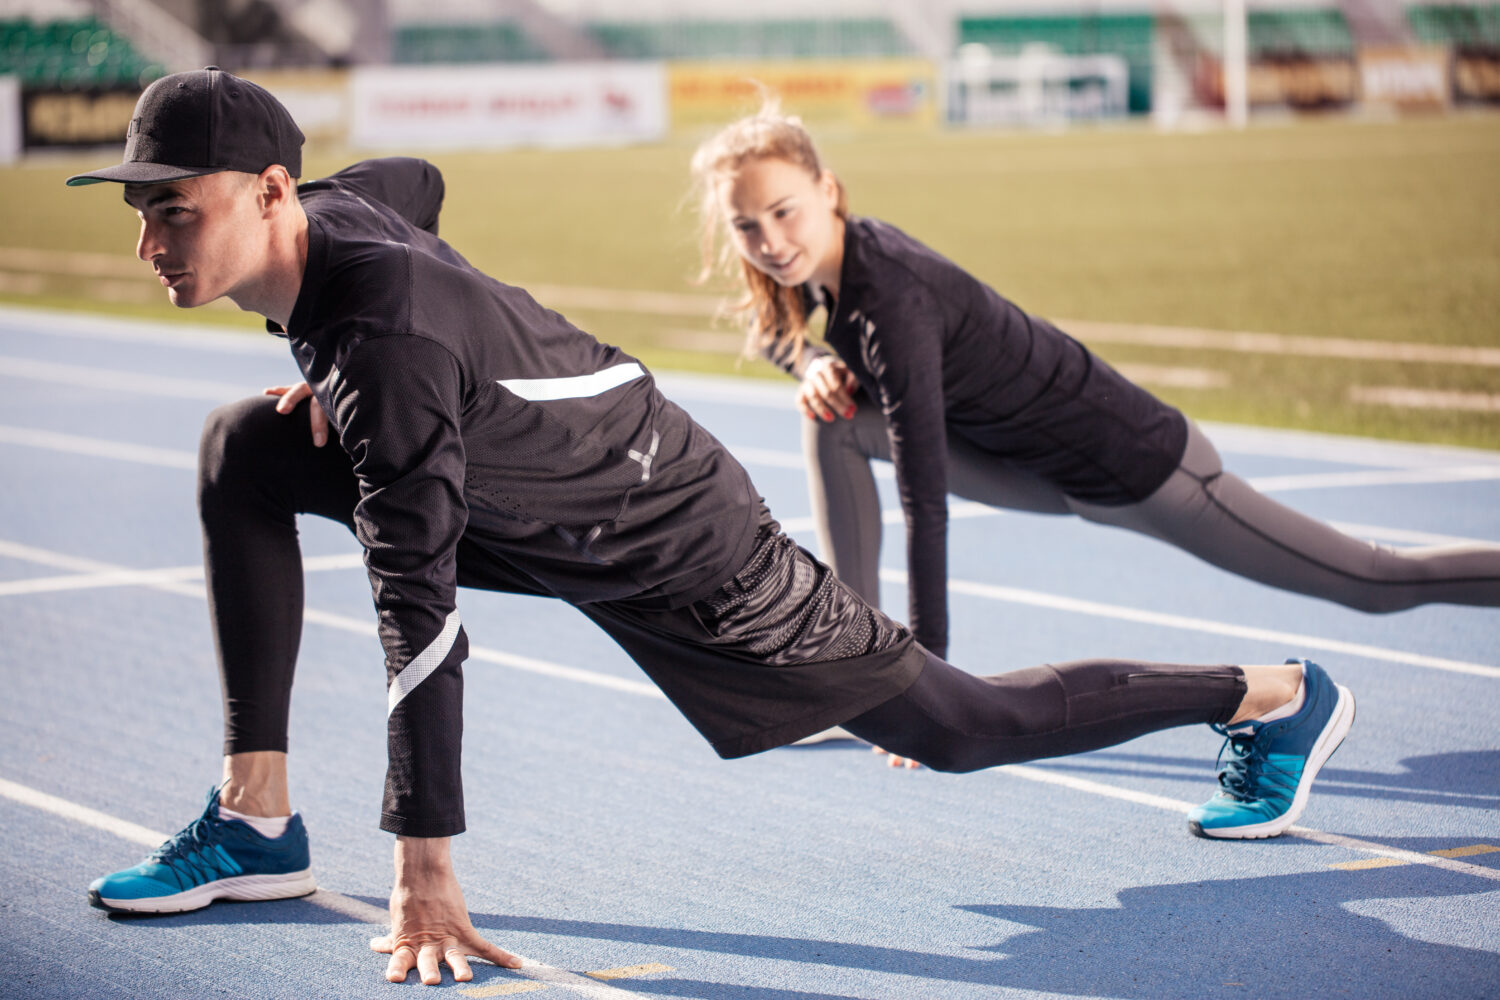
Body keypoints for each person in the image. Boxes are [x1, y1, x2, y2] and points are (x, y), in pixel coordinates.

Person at [72, 70, 1355, 987]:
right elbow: (414, 178)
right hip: (538, 494)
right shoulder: (347, 229)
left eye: (174, 210)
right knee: (248, 444)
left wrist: (425, 867)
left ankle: (1268, 694)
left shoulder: (383, 344)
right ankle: (256, 820)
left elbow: (419, 620)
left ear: (275, 193)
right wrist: (386, 353)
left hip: (679, 534)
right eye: (138, 209)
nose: (147, 240)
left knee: (959, 729)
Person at [688, 105, 1500, 666]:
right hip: (1049, 474)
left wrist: (927, 670)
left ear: (828, 191)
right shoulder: (842, 261)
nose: (769, 240)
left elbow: (923, 501)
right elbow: (772, 331)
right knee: (833, 416)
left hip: (1144, 471)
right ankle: (848, 667)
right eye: (746, 226)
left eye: (784, 212)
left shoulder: (890, 296)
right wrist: (813, 364)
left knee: (1374, 582)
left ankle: (881, 674)